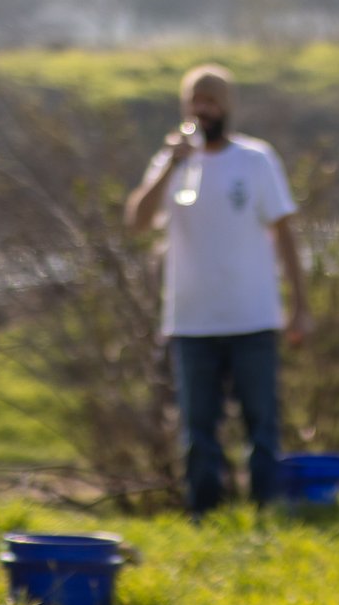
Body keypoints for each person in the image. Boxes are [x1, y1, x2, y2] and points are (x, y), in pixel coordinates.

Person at [123, 65, 313, 515]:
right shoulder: (172, 162)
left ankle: (269, 511)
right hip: (192, 321)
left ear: (227, 106)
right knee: (197, 431)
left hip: (253, 315)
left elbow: (285, 232)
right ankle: (205, 516)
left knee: (262, 424)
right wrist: (168, 165)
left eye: (211, 101)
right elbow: (136, 222)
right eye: (195, 101)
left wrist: (300, 305)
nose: (202, 109)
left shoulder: (255, 159)